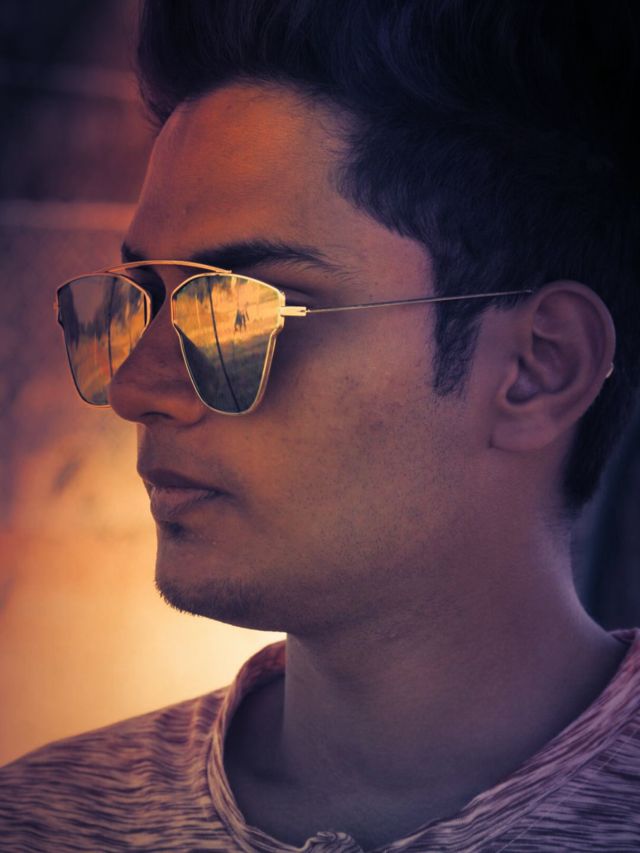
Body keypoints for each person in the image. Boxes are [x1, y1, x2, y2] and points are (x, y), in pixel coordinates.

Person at [2, 1, 640, 850]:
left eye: (238, 310)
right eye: (138, 300)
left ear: (537, 367)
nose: (135, 389)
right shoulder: (37, 820)